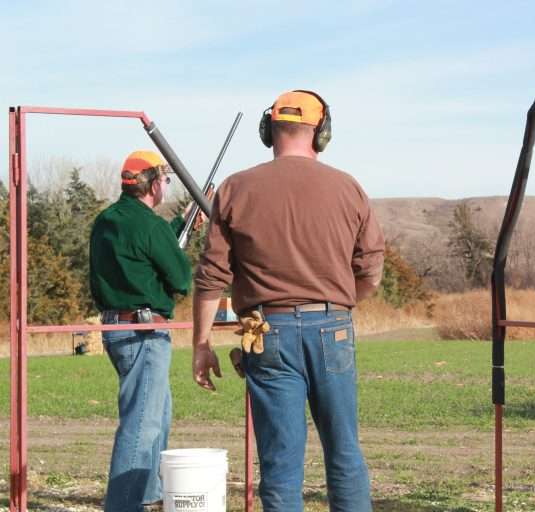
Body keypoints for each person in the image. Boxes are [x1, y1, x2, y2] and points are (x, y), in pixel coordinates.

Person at [192, 89, 385, 512]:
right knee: (344, 454)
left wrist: (201, 344)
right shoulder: (348, 187)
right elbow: (371, 268)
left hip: (267, 334)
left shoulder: (235, 187)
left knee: (280, 465)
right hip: (333, 329)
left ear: (269, 130)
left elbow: (211, 275)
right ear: (321, 133)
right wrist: (338, 304)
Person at [90, 150, 192, 511]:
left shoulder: (106, 220)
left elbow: (139, 256)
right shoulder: (150, 226)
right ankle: (123, 505)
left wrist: (177, 228)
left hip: (116, 329)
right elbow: (181, 279)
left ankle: (148, 494)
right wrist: (176, 242)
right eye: (164, 180)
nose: (165, 186)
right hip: (145, 333)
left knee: (158, 414)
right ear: (151, 184)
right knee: (142, 426)